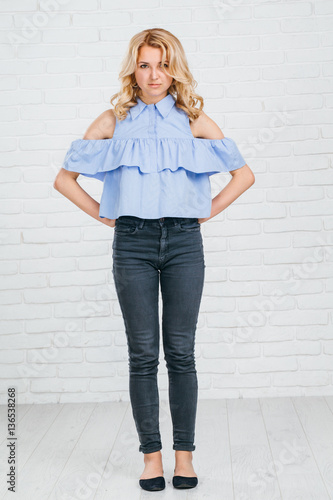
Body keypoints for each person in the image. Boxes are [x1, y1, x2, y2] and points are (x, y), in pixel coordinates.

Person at [54, 27, 255, 492]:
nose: (154, 74)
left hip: (185, 243)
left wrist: (202, 214)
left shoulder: (193, 120)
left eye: (163, 64)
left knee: (181, 352)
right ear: (134, 69)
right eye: (145, 64)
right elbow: (65, 180)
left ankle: (184, 456)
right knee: (143, 353)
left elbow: (243, 175)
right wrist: (108, 218)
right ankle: (151, 457)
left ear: (175, 68)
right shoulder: (113, 120)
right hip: (133, 244)